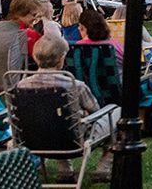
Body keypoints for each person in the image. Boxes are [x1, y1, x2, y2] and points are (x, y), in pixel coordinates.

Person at [16, 36, 115, 180]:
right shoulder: (75, 85)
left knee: (56, 119)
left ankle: (65, 170)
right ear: (61, 58)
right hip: (74, 141)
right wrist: (82, 113)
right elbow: (96, 111)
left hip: (33, 140)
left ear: (35, 57)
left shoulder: (21, 86)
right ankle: (103, 169)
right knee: (115, 113)